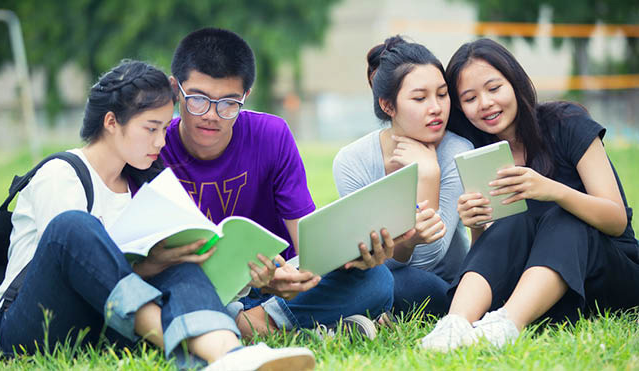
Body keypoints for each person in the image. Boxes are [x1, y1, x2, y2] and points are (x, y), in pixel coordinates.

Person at [0, 60, 316, 370]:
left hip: (106, 329)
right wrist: (149, 267)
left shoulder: (145, 184)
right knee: (72, 227)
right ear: (111, 122)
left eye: (164, 128)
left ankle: (228, 353)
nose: (160, 142)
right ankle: (190, 346)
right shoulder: (61, 174)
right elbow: (72, 272)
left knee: (180, 261)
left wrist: (235, 270)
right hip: (35, 327)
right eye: (151, 129)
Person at [161, 27, 398, 339]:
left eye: (229, 103)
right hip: (195, 289)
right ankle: (298, 327)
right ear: (175, 89)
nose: (212, 115)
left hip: (275, 289)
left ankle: (247, 325)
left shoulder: (270, 135)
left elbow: (308, 247)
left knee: (377, 279)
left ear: (245, 96)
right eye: (198, 100)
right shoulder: (155, 145)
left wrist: (331, 264)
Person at [421, 38, 639, 351]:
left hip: (610, 271)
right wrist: (477, 223)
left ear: (515, 82)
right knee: (514, 222)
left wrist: (553, 191)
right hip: (541, 287)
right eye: (469, 98)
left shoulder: (567, 123)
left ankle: (507, 325)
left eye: (494, 88)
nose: (484, 103)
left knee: (564, 217)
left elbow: (617, 221)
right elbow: (499, 253)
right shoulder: (481, 153)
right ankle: (454, 325)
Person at [332, 36, 473, 316]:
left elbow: (429, 259)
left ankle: (359, 316)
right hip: (377, 278)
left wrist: (429, 174)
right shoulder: (352, 161)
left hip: (440, 285)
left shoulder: (457, 151)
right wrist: (404, 243)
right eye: (420, 98)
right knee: (353, 279)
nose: (436, 108)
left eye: (442, 94)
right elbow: (365, 258)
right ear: (388, 106)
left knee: (410, 285)